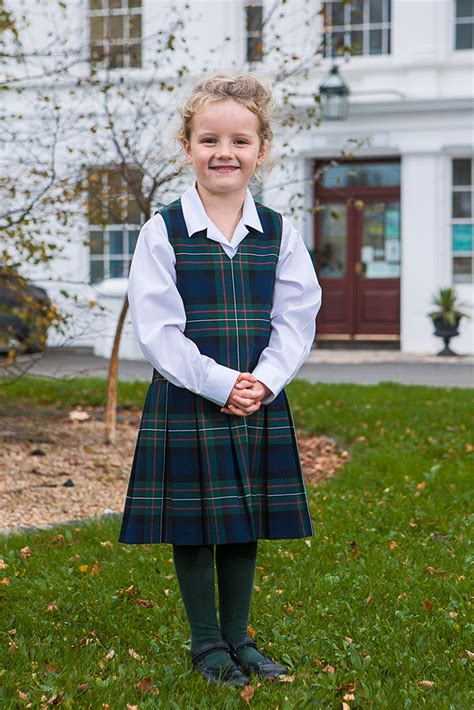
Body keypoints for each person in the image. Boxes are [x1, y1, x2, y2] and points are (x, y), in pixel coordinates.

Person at [118, 74, 322, 687]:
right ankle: (206, 643)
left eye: (239, 140)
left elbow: (296, 316)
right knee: (196, 520)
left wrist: (265, 380)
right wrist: (218, 383)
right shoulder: (163, 231)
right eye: (209, 139)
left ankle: (240, 637)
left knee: (244, 516)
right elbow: (156, 330)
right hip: (190, 394)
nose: (224, 152)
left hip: (257, 397)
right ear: (188, 147)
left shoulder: (281, 233)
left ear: (261, 151)